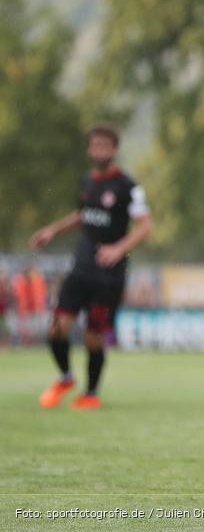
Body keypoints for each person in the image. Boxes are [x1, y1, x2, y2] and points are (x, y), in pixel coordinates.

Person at [30, 123, 153, 410]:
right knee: (57, 327)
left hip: (109, 277)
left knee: (93, 335)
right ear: (89, 149)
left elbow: (145, 226)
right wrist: (52, 230)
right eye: (95, 145)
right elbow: (82, 215)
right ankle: (65, 377)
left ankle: (90, 393)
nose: (99, 150)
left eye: (104, 145)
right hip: (81, 268)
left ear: (114, 149)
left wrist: (118, 248)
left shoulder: (128, 187)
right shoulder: (87, 182)